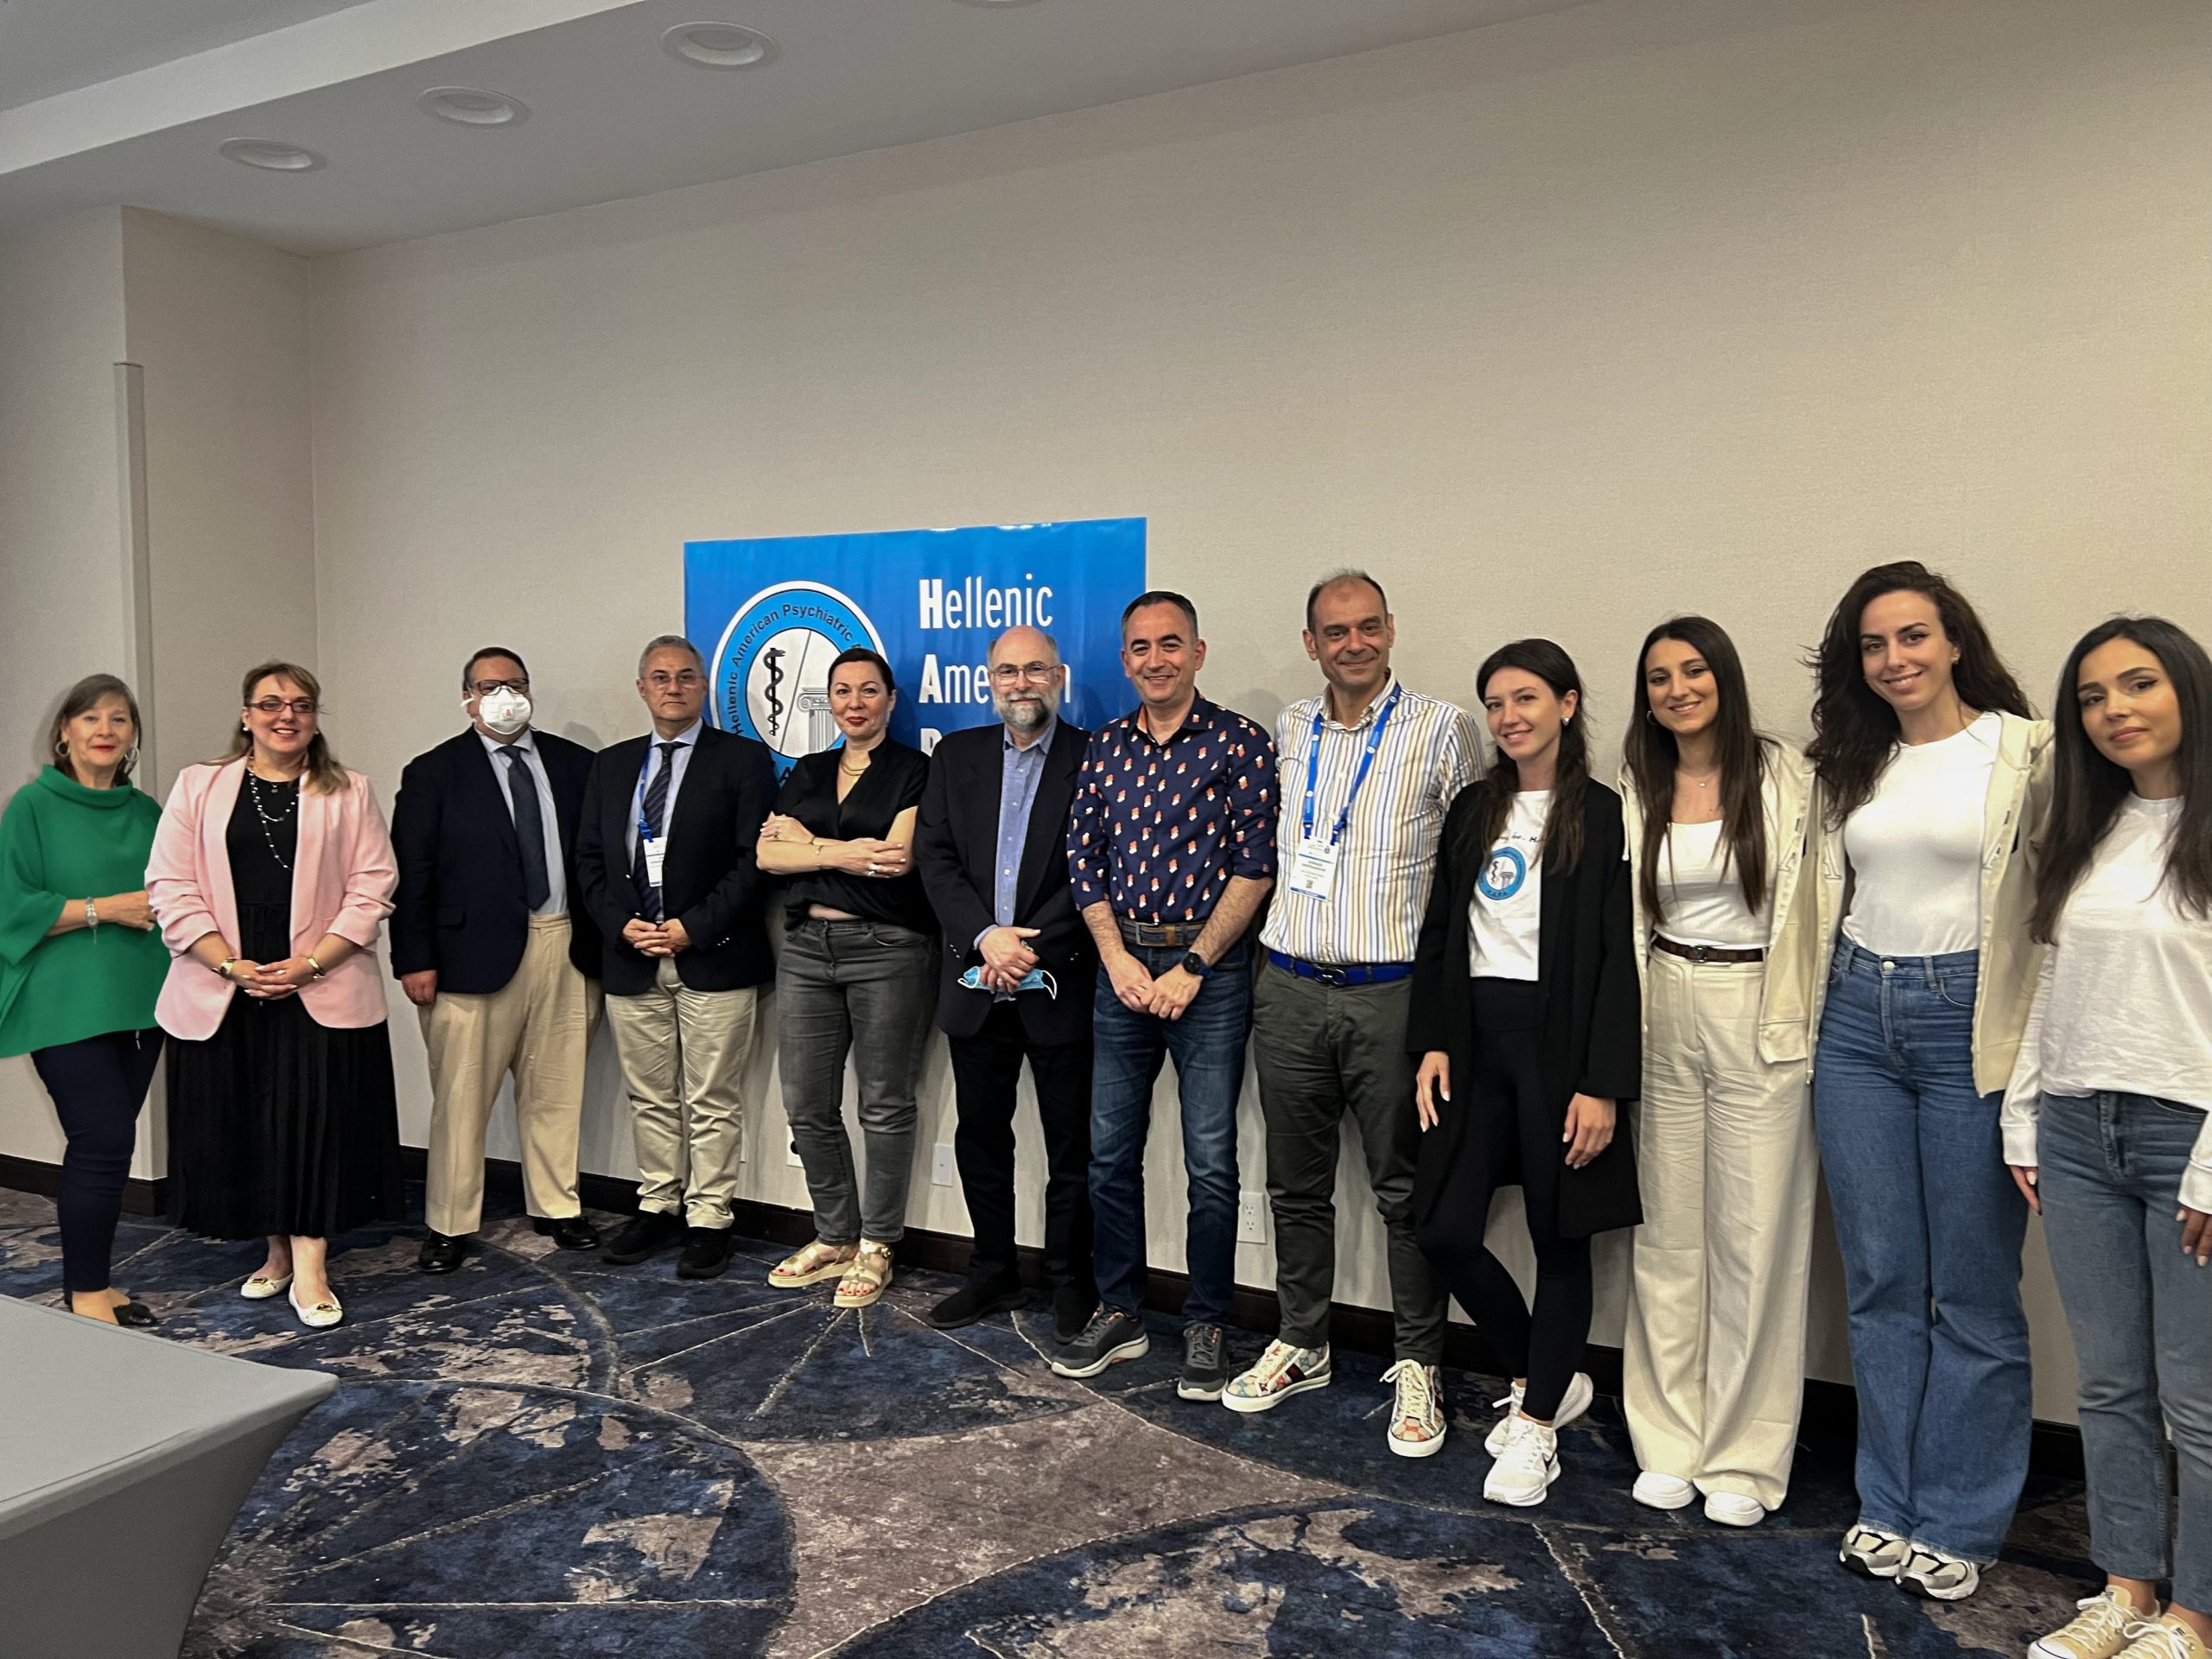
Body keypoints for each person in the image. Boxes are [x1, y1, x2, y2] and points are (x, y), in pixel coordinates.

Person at [1788, 560, 2050, 1602]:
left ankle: (1960, 1518)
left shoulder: (2023, 751)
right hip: (1856, 1020)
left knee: (1974, 1288)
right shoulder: (1853, 761)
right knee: (1883, 1279)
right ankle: (1887, 1503)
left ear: (1953, 642)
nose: (1894, 659)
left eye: (1911, 637)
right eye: (1873, 644)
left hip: (1967, 1025)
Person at [1227, 571, 1474, 1456]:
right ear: (1312, 644)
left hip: (1392, 994)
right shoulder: (1290, 731)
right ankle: (1302, 1340)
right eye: (1335, 632)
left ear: (1391, 630)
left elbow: (1471, 872)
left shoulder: (1443, 730)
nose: (1354, 643)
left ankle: (1418, 1361)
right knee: (1295, 1186)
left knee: (1405, 1191)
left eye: (1368, 627)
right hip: (1289, 988)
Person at [2005, 618, 2212, 1659]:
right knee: (2109, 1385)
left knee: (2198, 1399)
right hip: (2079, 1130)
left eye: (2137, 684)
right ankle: (2125, 1589)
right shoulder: (2092, 828)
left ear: (2187, 691)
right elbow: (2055, 979)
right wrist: (2025, 1113)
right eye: (2091, 696)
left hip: (2190, 1139)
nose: (2114, 710)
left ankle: (2194, 1616)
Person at [1408, 639, 1639, 1509]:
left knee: (1557, 1235)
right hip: (1475, 1042)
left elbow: (1617, 959)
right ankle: (1545, 1375)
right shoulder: (1474, 808)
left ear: (1567, 705)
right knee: (1444, 1230)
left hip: (1560, 1047)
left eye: (1527, 698)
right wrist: (1433, 1039)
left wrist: (1602, 1083)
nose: (1509, 717)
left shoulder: (1604, 814)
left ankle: (1536, 1425)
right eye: (1496, 703)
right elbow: (1442, 929)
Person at [1615, 616, 1816, 1528]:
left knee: (1754, 1238)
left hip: (1757, 1006)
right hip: (1663, 999)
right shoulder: (1638, 783)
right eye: (1659, 678)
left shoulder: (1785, 778)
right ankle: (1668, 1439)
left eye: (1693, 671)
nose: (1677, 690)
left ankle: (1743, 1456)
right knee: (1666, 1238)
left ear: (1724, 678)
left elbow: (1819, 907)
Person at [1054, 589, 1277, 1402]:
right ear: (1126, 661)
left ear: (1198, 652)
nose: (1157, 659)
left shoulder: (1241, 743)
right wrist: (1116, 958)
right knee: (1109, 1155)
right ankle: (1122, 1309)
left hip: (1207, 976)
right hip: (1122, 970)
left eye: (1171, 643)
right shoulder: (1105, 748)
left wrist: (1194, 966)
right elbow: (1085, 860)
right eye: (1142, 647)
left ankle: (1207, 1320)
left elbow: (1256, 866)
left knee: (1210, 1162)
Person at [147, 662, 402, 1330]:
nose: (286, 715)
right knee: (252, 1121)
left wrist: (311, 965)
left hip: (320, 977)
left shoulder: (350, 790)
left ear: (315, 718)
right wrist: (229, 964)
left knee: (314, 1121)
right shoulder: (198, 785)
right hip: (225, 978)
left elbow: (373, 887)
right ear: (246, 715)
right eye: (270, 703)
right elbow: (169, 885)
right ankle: (277, 1251)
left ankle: (312, 1265)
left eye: (301, 704)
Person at [390, 646, 604, 1274]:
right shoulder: (433, 772)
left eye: (514, 684)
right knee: (461, 1097)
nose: (504, 697)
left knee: (557, 1089)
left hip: (564, 943)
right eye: (489, 687)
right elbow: (413, 872)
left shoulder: (576, 765)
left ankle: (557, 1206)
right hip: (467, 957)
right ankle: (449, 1222)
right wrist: (414, 958)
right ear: (468, 698)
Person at [914, 626, 1097, 1339]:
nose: (1021, 683)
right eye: (1007, 672)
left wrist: (1025, 947)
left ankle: (1069, 1277)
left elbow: (1094, 869)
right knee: (981, 1136)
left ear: (1060, 677)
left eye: (1035, 670)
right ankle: (991, 1269)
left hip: (1057, 982)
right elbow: (935, 858)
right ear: (989, 681)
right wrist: (986, 937)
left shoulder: (1093, 756)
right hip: (976, 980)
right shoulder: (955, 756)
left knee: (1071, 1145)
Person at [576, 634, 777, 1281]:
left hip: (713, 953)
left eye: (686, 676)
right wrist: (621, 925)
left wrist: (695, 927)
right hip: (632, 954)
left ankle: (710, 1217)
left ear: (703, 687)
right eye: (660, 677)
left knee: (713, 1098)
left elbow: (754, 860)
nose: (673, 687)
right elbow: (589, 861)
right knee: (650, 1096)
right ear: (642, 688)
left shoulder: (742, 760)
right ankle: (658, 1205)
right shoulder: (611, 766)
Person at [756, 646, 937, 1310]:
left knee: (884, 1103)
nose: (854, 703)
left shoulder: (915, 770)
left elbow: (895, 861)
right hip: (806, 948)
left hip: (888, 948)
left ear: (890, 699)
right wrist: (842, 852)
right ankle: (834, 1236)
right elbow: (767, 855)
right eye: (841, 691)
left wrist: (807, 846)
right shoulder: (807, 770)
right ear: (828, 700)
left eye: (868, 690)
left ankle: (878, 1243)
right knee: (806, 1102)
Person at [0, 676, 168, 1325]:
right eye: (91, 717)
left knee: (111, 1145)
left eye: (120, 719)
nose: (105, 729)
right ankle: (87, 1293)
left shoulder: (148, 812)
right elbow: (13, 906)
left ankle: (93, 1282)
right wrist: (105, 908)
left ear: (132, 736)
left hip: (143, 1001)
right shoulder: (31, 807)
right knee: (101, 1138)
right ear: (64, 731)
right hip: (63, 1003)